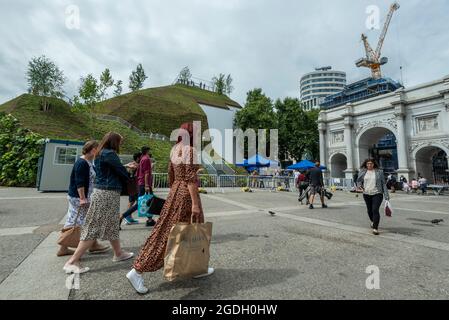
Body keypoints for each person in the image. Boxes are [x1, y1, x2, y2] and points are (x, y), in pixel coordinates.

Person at [126, 122, 213, 294]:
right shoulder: (190, 150)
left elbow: (171, 175)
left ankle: (197, 267)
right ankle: (137, 270)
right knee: (172, 234)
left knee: (181, 230)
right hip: (186, 196)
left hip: (176, 192)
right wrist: (195, 203)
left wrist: (176, 192)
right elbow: (190, 179)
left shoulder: (175, 149)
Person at [63, 132, 134, 274]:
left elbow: (112, 170)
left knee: (112, 224)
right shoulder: (110, 153)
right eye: (120, 141)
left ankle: (118, 253)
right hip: (107, 193)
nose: (121, 144)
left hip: (104, 193)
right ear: (114, 142)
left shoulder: (101, 153)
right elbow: (121, 173)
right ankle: (72, 261)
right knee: (93, 227)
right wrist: (130, 170)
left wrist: (123, 168)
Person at [57, 141, 109, 257]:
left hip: (82, 197)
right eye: (98, 149)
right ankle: (90, 245)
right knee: (81, 221)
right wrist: (82, 198)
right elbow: (79, 182)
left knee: (77, 220)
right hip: (79, 197)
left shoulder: (88, 162)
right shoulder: (82, 163)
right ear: (93, 150)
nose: (99, 152)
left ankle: (66, 247)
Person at [121, 147, 157, 227]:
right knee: (141, 203)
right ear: (147, 151)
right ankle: (123, 216)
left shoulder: (142, 159)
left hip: (141, 183)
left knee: (148, 201)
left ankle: (150, 220)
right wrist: (147, 185)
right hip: (145, 184)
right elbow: (146, 173)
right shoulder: (146, 159)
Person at [356, 159, 390, 236]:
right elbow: (358, 181)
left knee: (375, 210)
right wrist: (359, 186)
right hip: (366, 193)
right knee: (369, 210)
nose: (369, 165)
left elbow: (383, 183)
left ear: (374, 164)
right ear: (366, 164)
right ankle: (373, 221)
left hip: (377, 193)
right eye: (368, 163)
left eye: (371, 163)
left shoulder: (379, 172)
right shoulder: (362, 171)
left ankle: (375, 228)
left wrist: (386, 195)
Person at [120, 152, 142, 226]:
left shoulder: (132, 164)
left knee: (132, 201)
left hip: (132, 186)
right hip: (134, 186)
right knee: (137, 201)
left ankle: (128, 217)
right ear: (138, 158)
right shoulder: (134, 164)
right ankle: (127, 216)